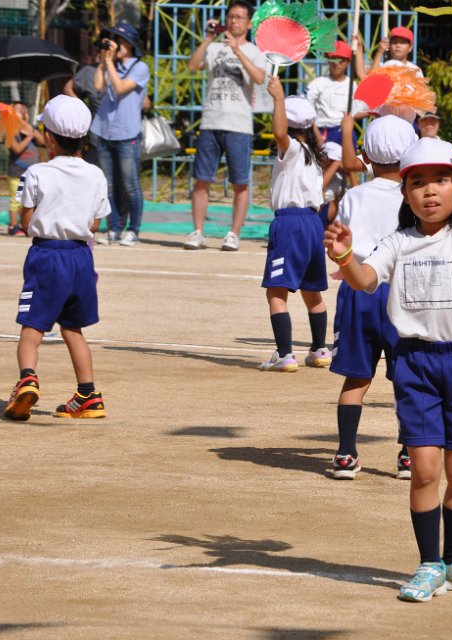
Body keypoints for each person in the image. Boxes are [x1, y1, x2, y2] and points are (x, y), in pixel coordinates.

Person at [323, 94, 452, 603]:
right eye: (418, 182)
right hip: (416, 365)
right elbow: (364, 280)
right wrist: (344, 256)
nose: (429, 191)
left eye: (441, 180)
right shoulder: (398, 242)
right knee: (424, 470)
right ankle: (429, 565)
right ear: (404, 191)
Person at [2, 95, 110, 422]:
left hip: (47, 255)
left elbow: (26, 222)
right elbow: (95, 224)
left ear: (48, 138)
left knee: (32, 327)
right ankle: (88, 395)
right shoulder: (96, 175)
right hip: (81, 257)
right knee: (73, 328)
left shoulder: (36, 172)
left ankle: (27, 379)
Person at [328, 114, 419, 481]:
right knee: (409, 380)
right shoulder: (412, 195)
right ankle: (408, 454)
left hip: (358, 288)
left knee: (356, 378)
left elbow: (343, 242)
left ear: (365, 156)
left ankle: (345, 454)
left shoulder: (353, 195)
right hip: (404, 291)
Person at [258, 79, 332, 372]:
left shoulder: (291, 149)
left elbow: (279, 133)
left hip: (290, 223)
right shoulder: (314, 153)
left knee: (276, 292)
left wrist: (278, 98)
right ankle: (320, 349)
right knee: (312, 292)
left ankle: (285, 354)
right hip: (313, 223)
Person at [185, 0, 266, 252]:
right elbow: (192, 65)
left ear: (249, 24)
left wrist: (238, 52)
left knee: (240, 182)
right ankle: (198, 231)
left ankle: (234, 233)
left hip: (238, 124)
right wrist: (208, 39)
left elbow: (259, 77)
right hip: (211, 121)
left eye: (239, 17)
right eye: (231, 16)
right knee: (201, 180)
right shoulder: (214, 48)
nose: (234, 21)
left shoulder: (254, 51)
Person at [90, 21, 149, 247]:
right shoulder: (111, 64)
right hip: (105, 131)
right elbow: (97, 86)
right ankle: (113, 229)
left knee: (130, 184)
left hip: (127, 134)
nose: (117, 44)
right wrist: (104, 61)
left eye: (121, 41)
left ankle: (133, 230)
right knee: (108, 186)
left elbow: (121, 88)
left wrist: (109, 63)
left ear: (130, 44)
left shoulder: (140, 68)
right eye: (114, 40)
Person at [308, 39, 366, 147]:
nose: (337, 63)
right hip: (322, 132)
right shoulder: (317, 83)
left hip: (344, 132)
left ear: (348, 62)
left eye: (341, 60)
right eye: (333, 59)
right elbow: (307, 112)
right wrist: (317, 135)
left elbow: (356, 111)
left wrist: (375, 110)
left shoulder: (352, 84)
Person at [6, 102, 45, 236]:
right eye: (19, 111)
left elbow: (43, 142)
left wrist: (31, 131)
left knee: (29, 201)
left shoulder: (31, 130)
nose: (23, 113)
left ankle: (26, 226)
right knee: (16, 200)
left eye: (25, 111)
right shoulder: (11, 131)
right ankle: (13, 226)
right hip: (16, 173)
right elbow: (16, 149)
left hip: (31, 173)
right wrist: (29, 137)